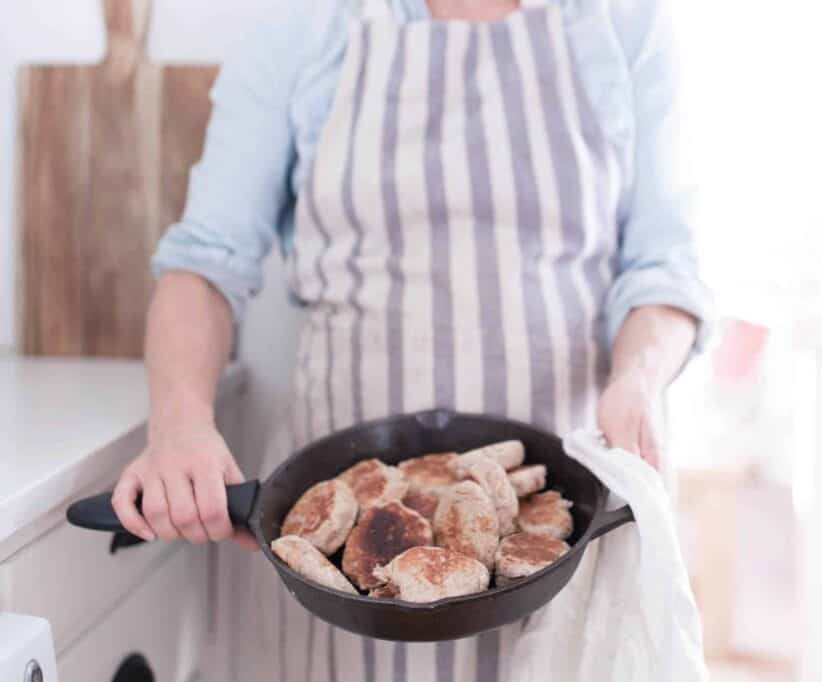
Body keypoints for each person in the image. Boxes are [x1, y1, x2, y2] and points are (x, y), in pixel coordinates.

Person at [111, 0, 712, 679]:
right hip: (344, 573)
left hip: (566, 530)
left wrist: (637, 380)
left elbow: (664, 271)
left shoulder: (622, 21)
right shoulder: (307, 24)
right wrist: (181, 421)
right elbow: (205, 264)